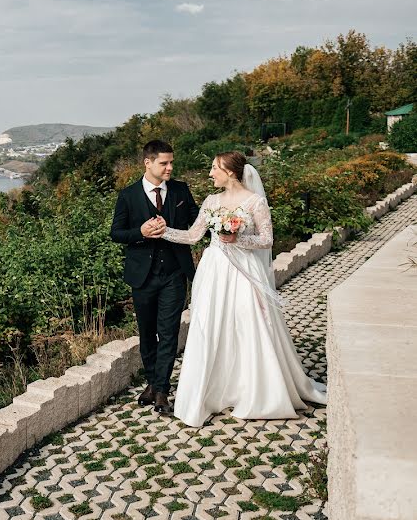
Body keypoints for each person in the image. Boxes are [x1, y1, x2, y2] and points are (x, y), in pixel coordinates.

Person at [155, 151, 327, 427]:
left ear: (231, 172)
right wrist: (163, 231)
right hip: (214, 271)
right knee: (211, 326)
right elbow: (193, 235)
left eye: (214, 168)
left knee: (249, 323)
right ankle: (211, 393)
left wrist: (238, 238)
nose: (210, 174)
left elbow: (267, 240)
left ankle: (256, 391)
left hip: (244, 272)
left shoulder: (255, 202)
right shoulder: (211, 201)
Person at [110, 140, 200, 415]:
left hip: (174, 273)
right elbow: (116, 233)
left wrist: (225, 221)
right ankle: (151, 382)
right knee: (147, 333)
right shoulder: (128, 195)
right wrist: (140, 232)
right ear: (147, 163)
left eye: (171, 162)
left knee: (169, 332)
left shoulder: (180, 190)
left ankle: (161, 390)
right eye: (164, 163)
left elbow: (198, 221)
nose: (170, 167)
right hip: (142, 277)